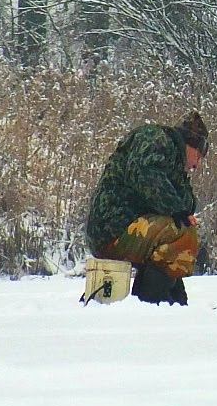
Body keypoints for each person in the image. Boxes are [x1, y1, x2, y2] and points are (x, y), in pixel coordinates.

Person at [85, 111, 209, 305]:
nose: (197, 164)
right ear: (190, 145)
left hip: (128, 229)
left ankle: (171, 304)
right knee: (181, 234)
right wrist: (177, 209)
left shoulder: (174, 164)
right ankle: (150, 304)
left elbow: (187, 203)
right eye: (199, 156)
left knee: (178, 240)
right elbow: (144, 175)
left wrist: (182, 210)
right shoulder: (155, 138)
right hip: (113, 228)